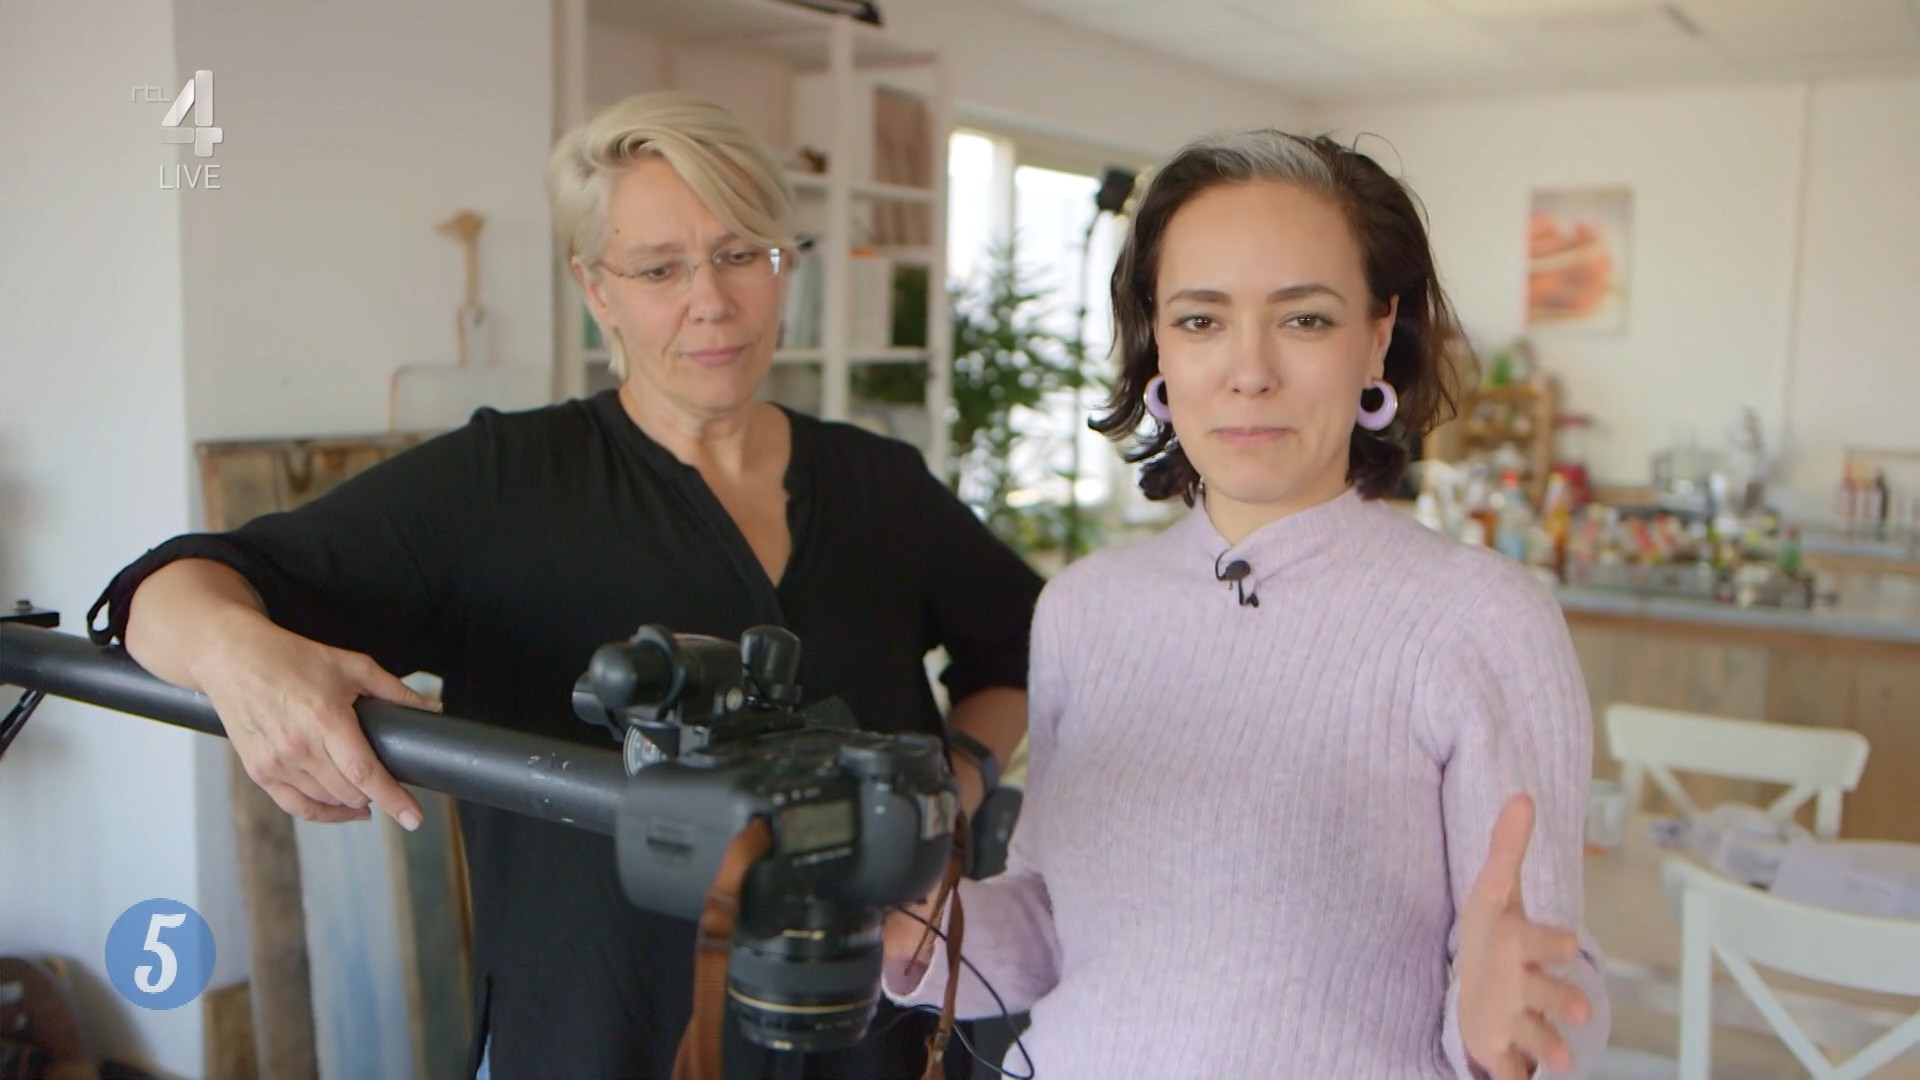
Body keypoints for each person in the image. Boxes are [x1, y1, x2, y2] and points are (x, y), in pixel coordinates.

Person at [87, 91, 1041, 1080]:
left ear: (782, 266)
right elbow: (165, 593)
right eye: (660, 268)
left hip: (872, 1035)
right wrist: (243, 660)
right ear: (596, 288)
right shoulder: (502, 484)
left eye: (741, 254)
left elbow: (1025, 646)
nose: (711, 301)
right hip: (597, 1037)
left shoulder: (878, 483)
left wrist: (952, 789)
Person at [883, 129, 1611, 1079]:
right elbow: (1055, 927)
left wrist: (1498, 1035)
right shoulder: (1084, 608)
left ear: (1376, 338)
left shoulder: (1479, 619)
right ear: (1157, 342)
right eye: (1201, 320)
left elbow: (1553, 986)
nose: (1250, 369)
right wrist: (911, 934)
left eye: (1304, 319)